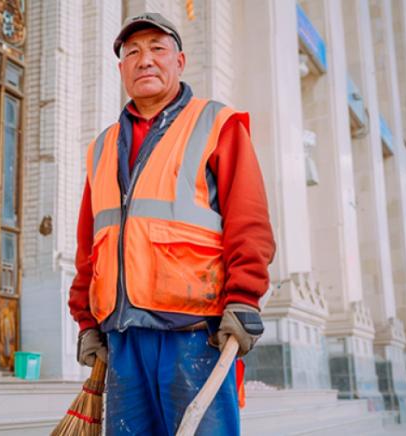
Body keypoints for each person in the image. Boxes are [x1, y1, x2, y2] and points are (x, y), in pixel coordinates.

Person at [68, 12, 275, 435]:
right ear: (121, 68)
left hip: (194, 332)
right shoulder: (103, 146)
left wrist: (245, 297)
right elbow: (90, 242)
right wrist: (86, 321)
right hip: (123, 338)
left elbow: (248, 219)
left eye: (157, 49)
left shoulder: (216, 124)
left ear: (179, 61)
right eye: (133, 52)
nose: (145, 60)